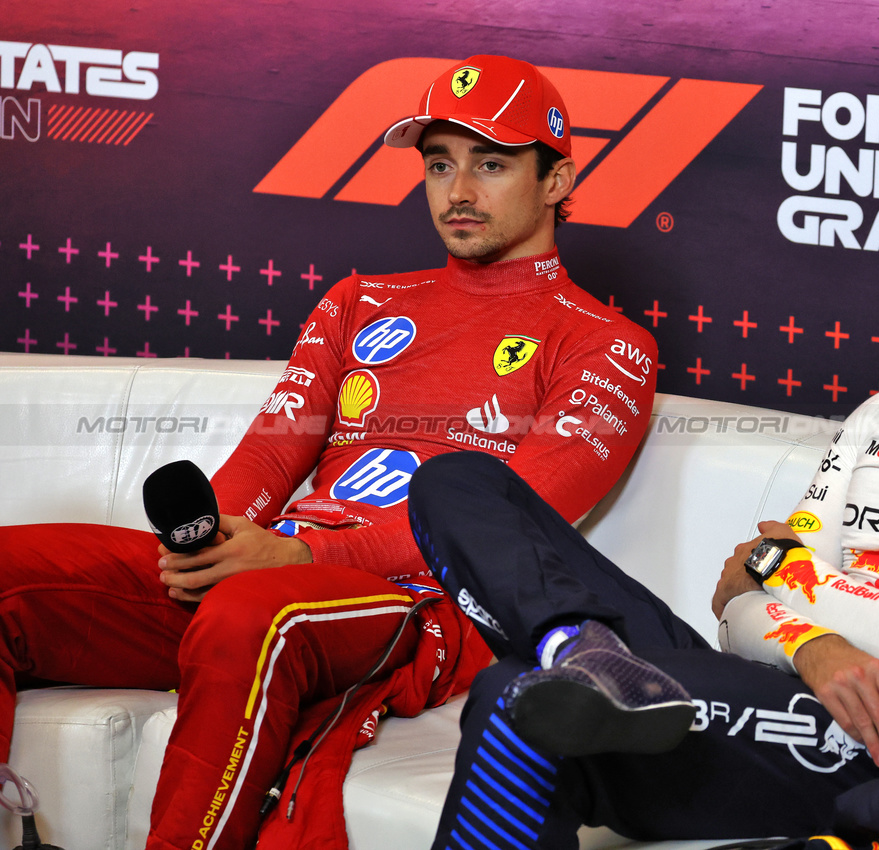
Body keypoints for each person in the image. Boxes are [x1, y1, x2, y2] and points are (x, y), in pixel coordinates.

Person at [405, 142, 879, 848]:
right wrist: (810, 639)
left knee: (516, 697)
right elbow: (735, 614)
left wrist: (779, 571)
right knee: (455, 480)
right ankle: (578, 645)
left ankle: (578, 672)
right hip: (771, 689)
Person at [0, 55, 657, 850]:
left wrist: (293, 558)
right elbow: (269, 456)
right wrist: (218, 543)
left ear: (555, 180)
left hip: (415, 606)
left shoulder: (608, 345)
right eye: (440, 164)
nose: (458, 191)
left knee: (254, 614)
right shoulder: (359, 300)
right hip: (281, 570)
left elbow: (503, 530)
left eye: (491, 164)